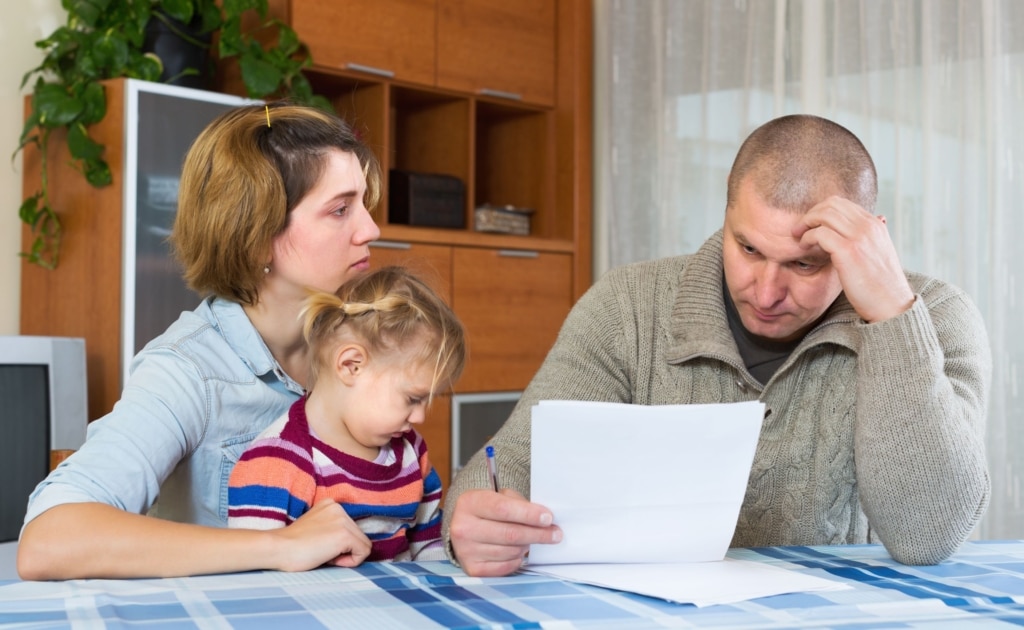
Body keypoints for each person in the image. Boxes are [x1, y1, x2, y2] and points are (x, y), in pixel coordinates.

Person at [442, 114, 992, 577]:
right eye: (749, 248)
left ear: (868, 238)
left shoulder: (937, 318)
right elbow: (504, 469)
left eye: (805, 263)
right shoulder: (627, 305)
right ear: (726, 216)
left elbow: (929, 536)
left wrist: (894, 316)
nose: (769, 291)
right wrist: (474, 522)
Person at [18, 102, 385, 579]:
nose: (371, 229)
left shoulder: (367, 342)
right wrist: (276, 547)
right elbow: (49, 540)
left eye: (363, 203)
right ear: (256, 237)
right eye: (340, 209)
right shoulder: (187, 370)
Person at [227, 266, 466, 563]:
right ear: (351, 365)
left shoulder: (411, 453)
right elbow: (255, 566)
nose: (419, 417)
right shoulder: (276, 463)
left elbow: (429, 547)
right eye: (412, 398)